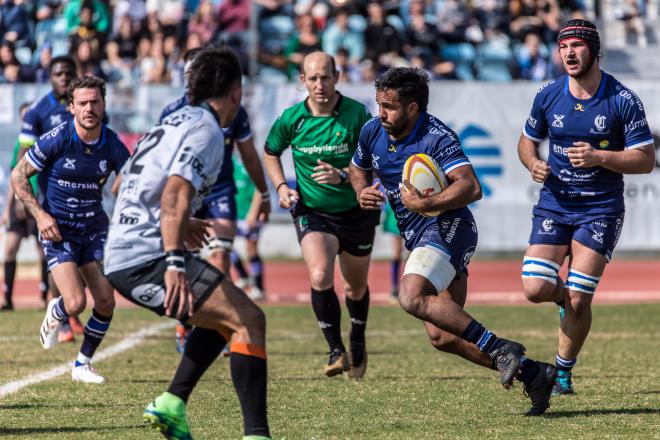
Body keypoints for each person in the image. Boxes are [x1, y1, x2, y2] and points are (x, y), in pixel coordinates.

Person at [350, 67, 557, 416]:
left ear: (413, 108)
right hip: (419, 238)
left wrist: (426, 203)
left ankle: (502, 346)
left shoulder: (436, 137)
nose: (381, 113)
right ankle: (535, 374)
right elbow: (358, 167)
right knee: (444, 337)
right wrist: (361, 191)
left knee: (412, 296)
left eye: (389, 106)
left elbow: (471, 186)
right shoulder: (373, 130)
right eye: (378, 104)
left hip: (450, 226)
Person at [104, 46, 270, 440]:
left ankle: (172, 403)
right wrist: (175, 262)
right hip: (147, 258)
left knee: (225, 316)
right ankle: (256, 435)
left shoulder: (172, 120)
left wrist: (182, 223)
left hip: (127, 251)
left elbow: (122, 184)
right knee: (250, 320)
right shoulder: (208, 129)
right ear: (236, 91)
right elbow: (174, 194)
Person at [517, 19, 655, 395]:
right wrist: (532, 163)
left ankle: (562, 372)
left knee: (580, 296)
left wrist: (600, 157)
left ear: (594, 51)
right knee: (533, 287)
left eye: (577, 46)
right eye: (563, 47)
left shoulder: (622, 99)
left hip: (600, 210)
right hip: (555, 205)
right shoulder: (547, 94)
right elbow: (526, 142)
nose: (569, 54)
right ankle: (561, 298)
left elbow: (645, 159)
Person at [263, 51, 377, 379]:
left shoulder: (357, 114)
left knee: (355, 288)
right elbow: (271, 153)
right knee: (319, 275)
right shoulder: (292, 118)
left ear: (337, 77)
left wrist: (344, 176)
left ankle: (357, 336)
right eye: (312, 78)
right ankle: (335, 349)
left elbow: (375, 160)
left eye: (325, 77)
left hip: (355, 212)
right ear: (302, 81)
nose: (319, 85)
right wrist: (282, 187)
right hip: (313, 212)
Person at [11, 76, 130, 384]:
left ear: (103, 104)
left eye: (95, 102)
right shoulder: (58, 138)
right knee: (75, 303)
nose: (89, 108)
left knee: (105, 301)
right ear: (71, 107)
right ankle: (58, 310)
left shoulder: (113, 143)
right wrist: (40, 216)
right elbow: (18, 176)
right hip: (58, 230)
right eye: (83, 103)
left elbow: (129, 182)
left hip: (93, 228)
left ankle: (82, 364)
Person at [160, 47, 270, 353]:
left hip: (220, 190)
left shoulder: (234, 111)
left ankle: (217, 331)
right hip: (187, 194)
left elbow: (248, 154)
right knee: (185, 261)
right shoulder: (173, 111)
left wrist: (263, 193)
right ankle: (185, 321)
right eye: (188, 72)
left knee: (220, 260)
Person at [17, 55, 84, 342]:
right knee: (62, 257)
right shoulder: (37, 111)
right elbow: (23, 159)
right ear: (50, 76)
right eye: (59, 73)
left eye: (69, 72)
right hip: (51, 197)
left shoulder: (85, 105)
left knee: (83, 259)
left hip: (85, 193)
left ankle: (69, 312)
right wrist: (22, 200)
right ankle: (64, 318)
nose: (64, 78)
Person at [1, 102, 49, 311]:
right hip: (19, 202)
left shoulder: (47, 143)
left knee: (44, 252)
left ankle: (44, 296)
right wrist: (7, 208)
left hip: (39, 203)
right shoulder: (19, 147)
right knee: (10, 249)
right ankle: (7, 298)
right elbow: (15, 176)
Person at [231, 154, 267, 301]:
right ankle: (243, 276)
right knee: (224, 247)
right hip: (232, 215)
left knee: (251, 250)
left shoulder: (250, 161)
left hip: (249, 215)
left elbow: (260, 189)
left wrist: (253, 213)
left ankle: (259, 288)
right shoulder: (228, 161)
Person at [382, 201, 404, 302]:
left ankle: (407, 287)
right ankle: (395, 288)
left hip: (412, 204)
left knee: (414, 251)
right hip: (397, 204)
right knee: (397, 251)